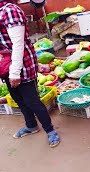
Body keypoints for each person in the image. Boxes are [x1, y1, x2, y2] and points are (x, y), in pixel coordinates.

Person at [0, 0, 60, 147]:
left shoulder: (10, 11)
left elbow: (18, 44)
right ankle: (31, 125)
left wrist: (15, 73)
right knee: (18, 98)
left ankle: (50, 130)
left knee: (32, 100)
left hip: (22, 63)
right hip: (7, 63)